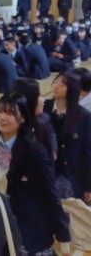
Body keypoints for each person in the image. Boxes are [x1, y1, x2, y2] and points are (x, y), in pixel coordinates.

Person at [0, 94, 72, 256]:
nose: (2, 117)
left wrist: (63, 235)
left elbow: (50, 193)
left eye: (10, 113)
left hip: (31, 228)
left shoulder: (34, 151)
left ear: (23, 118)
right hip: (0, 223)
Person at [45, 71, 91, 202]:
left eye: (62, 85)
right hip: (45, 168)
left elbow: (87, 152)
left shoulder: (83, 116)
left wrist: (88, 185)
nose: (56, 86)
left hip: (69, 172)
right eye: (55, 82)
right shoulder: (44, 107)